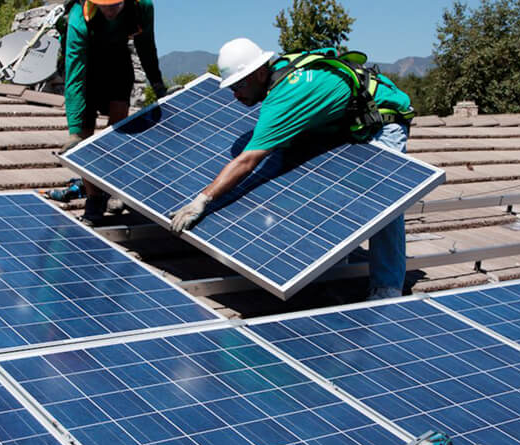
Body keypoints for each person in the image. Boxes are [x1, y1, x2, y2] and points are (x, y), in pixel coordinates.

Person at [170, 37, 415, 300]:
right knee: (302, 165)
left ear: (260, 72)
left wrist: (202, 200)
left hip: (383, 120)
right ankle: (336, 265)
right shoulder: (282, 73)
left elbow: (247, 160)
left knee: (381, 197)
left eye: (239, 85)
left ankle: (387, 287)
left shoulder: (286, 97)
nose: (235, 95)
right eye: (231, 87)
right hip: (344, 122)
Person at [60, 0, 168, 220]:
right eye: (103, 5)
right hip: (87, 72)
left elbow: (146, 46)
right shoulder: (78, 19)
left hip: (119, 65)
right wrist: (74, 132)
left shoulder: (143, 7)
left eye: (114, 4)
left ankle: (113, 188)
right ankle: (94, 198)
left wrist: (158, 86)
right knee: (85, 138)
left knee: (118, 132)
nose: (109, 10)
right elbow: (74, 77)